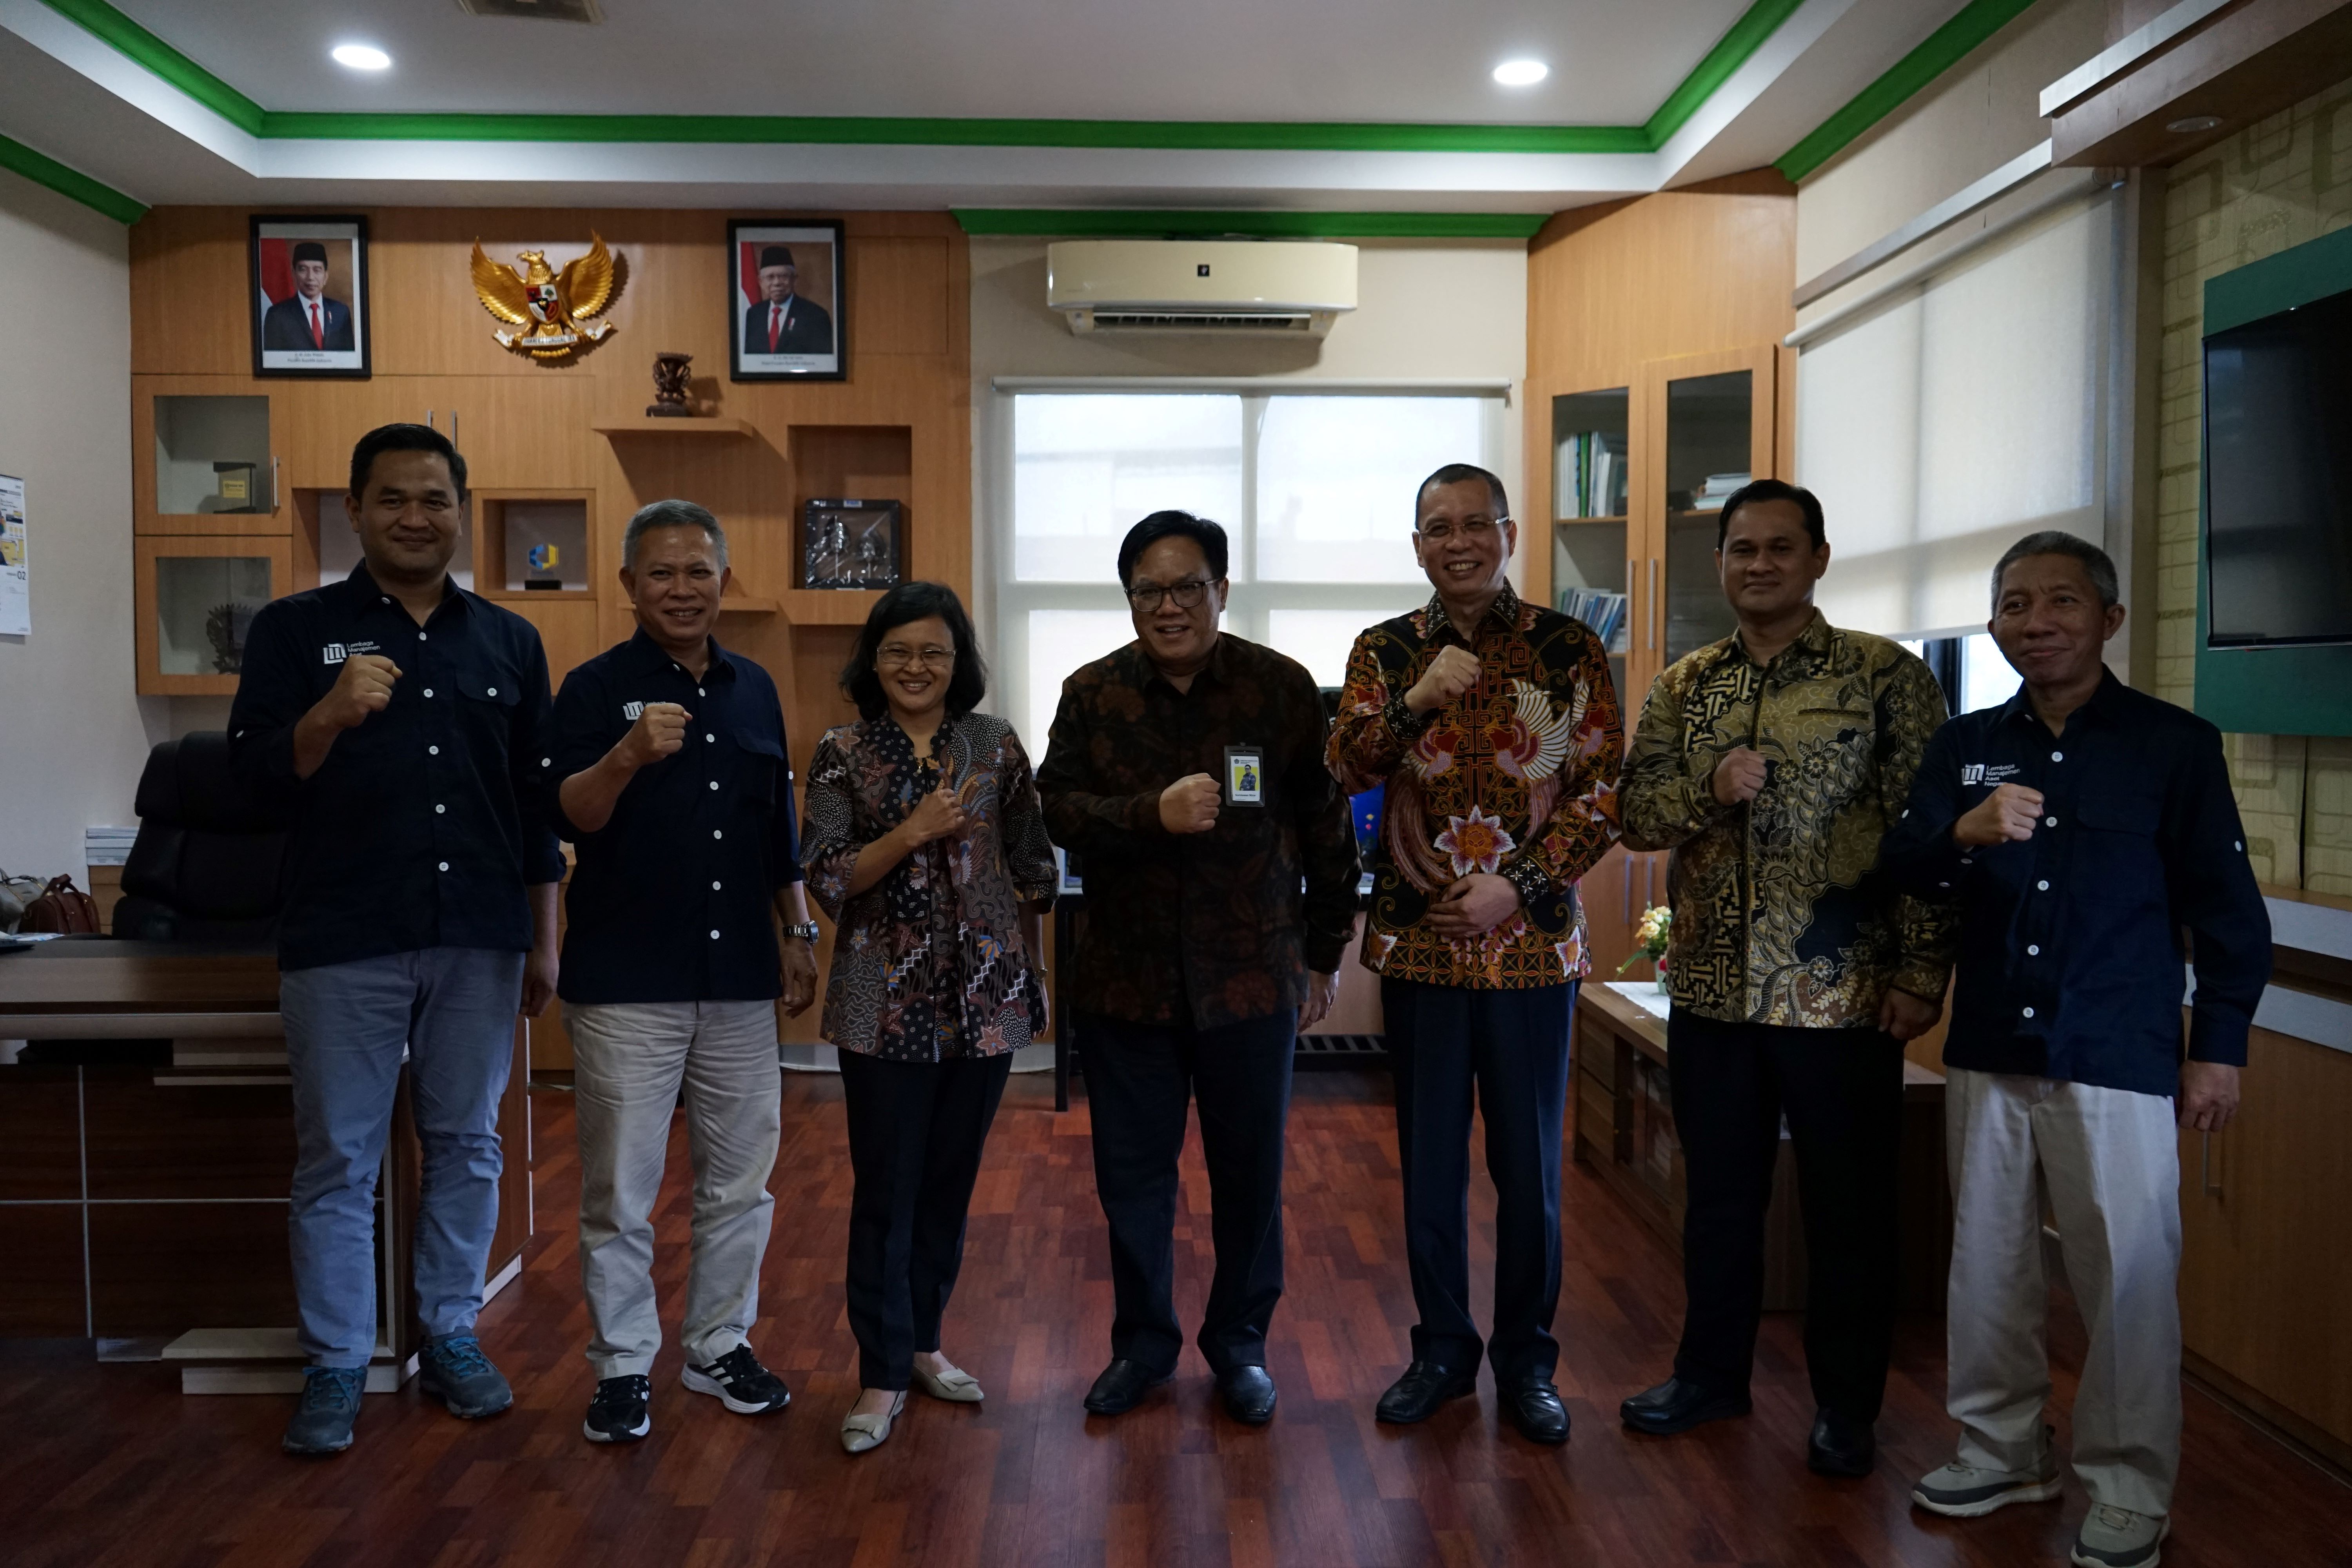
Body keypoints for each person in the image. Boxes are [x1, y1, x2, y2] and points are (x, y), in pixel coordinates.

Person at [1884, 533, 2269, 1568]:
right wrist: (1961, 833)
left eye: (2061, 601)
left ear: (2110, 619)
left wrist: (2218, 1047)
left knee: (2127, 1278)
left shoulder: (2174, 746)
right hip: (1990, 1041)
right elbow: (1903, 864)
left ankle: (2131, 1483)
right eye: (2015, 604)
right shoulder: (1965, 744)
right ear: (1993, 623)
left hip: (2119, 1049)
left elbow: (2227, 911)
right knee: (1988, 1264)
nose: (2036, 621)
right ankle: (2003, 1447)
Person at [228, 423, 561, 1456]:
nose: (415, 517)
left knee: (469, 1145)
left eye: (434, 499)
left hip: (480, 935)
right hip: (344, 934)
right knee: (340, 1158)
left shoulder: (510, 640)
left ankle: (451, 1332)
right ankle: (337, 1363)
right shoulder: (294, 631)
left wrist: (545, 937)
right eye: (393, 499)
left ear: (461, 510)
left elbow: (534, 805)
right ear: (356, 510)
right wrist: (325, 716)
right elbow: (249, 786)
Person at [1615, 478, 1954, 1477]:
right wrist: (1709, 786)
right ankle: (1710, 1374)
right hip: (1712, 992)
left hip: (1842, 992)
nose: (1758, 564)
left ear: (1818, 559)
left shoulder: (1885, 677)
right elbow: (1634, 813)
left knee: (1850, 1210)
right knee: (1719, 1202)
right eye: (1741, 548)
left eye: (1779, 547)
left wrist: (1921, 969)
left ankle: (1846, 1405)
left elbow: (1929, 837)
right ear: (1719, 560)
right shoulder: (1686, 684)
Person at [1037, 511, 1358, 1427]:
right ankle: (1143, 1345)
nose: (1167, 605)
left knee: (1250, 1175)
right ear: (1129, 597)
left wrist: (1324, 952)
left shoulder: (1280, 687)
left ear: (1221, 588)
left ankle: (1241, 1345)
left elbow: (1327, 825)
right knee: (1133, 1178)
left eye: (1186, 587)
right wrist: (1152, 812)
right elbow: (1056, 810)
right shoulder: (1092, 692)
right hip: (1126, 984)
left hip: (1251, 979)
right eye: (1148, 589)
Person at [1328, 463, 1622, 1446]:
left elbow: (1601, 792)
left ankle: (1528, 1362)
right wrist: (1413, 700)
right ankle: (1443, 1352)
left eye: (1475, 524)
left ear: (1507, 533)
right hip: (1421, 948)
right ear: (1417, 545)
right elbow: (1344, 766)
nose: (1458, 542)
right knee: (1429, 1166)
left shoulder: (1568, 646)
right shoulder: (1384, 650)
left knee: (1530, 1169)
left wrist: (1518, 885)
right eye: (1438, 528)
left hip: (1532, 949)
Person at [544, 500, 819, 1445]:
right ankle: (623, 1363)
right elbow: (570, 815)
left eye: (699, 570)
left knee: (740, 1182)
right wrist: (625, 755)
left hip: (739, 975)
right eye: (661, 572)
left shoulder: (753, 689)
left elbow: (777, 830)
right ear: (630, 584)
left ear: (724, 581)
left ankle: (717, 1344)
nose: (681, 588)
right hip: (628, 981)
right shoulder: (592, 688)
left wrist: (798, 930)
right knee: (621, 1192)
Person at [799, 581, 1057, 1454]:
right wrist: (911, 830)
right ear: (874, 661)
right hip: (880, 1006)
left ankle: (924, 1344)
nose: (917, 666)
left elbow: (1031, 863)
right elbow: (829, 876)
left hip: (986, 1001)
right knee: (887, 1188)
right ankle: (879, 1370)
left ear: (959, 663)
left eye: (934, 652)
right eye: (900, 651)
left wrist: (1033, 969)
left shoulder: (995, 744)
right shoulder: (842, 751)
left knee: (949, 1183)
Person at [263, 240, 356, 352]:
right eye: (303, 270)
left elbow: (349, 357)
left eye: (317, 270)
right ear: (294, 274)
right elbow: (273, 359)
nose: (310, 277)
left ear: (326, 277)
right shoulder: (277, 315)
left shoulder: (341, 312)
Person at [741, 245, 834, 356]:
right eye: (770, 277)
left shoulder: (816, 316)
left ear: (794, 280)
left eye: (783, 276)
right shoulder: (753, 314)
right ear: (761, 282)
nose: (777, 283)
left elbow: (822, 361)